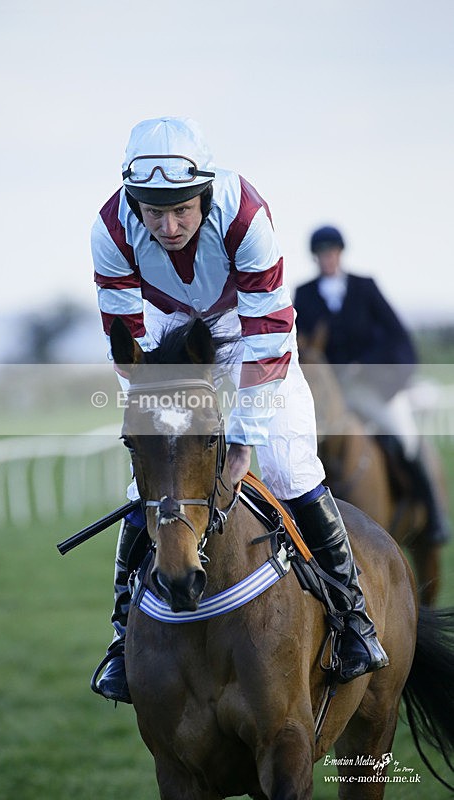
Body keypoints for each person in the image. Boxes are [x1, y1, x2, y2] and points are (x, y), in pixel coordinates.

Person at [90, 119, 388, 703]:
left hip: (252, 334)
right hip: (171, 335)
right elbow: (126, 342)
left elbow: (268, 336)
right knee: (144, 485)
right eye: (153, 213)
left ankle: (353, 619)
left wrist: (244, 438)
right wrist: (152, 429)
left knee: (287, 466)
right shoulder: (109, 228)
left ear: (204, 193)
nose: (168, 227)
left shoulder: (246, 215)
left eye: (181, 210)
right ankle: (123, 634)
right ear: (133, 201)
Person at [294, 225, 450, 545]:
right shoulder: (305, 294)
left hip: (372, 389)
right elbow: (300, 345)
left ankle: (433, 515)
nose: (327, 258)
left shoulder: (364, 288)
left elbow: (397, 337)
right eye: (321, 253)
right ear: (315, 257)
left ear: (340, 253)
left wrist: (366, 367)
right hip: (326, 395)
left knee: (405, 437)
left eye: (331, 252)